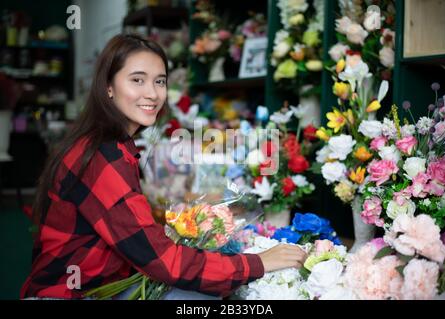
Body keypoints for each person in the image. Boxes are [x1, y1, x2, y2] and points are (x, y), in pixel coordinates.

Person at [20, 34, 307, 299]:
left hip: (99, 284)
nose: (153, 93)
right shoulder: (100, 155)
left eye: (160, 81)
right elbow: (161, 261)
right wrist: (256, 263)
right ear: (108, 87)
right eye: (137, 80)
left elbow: (134, 236)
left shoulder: (111, 145)